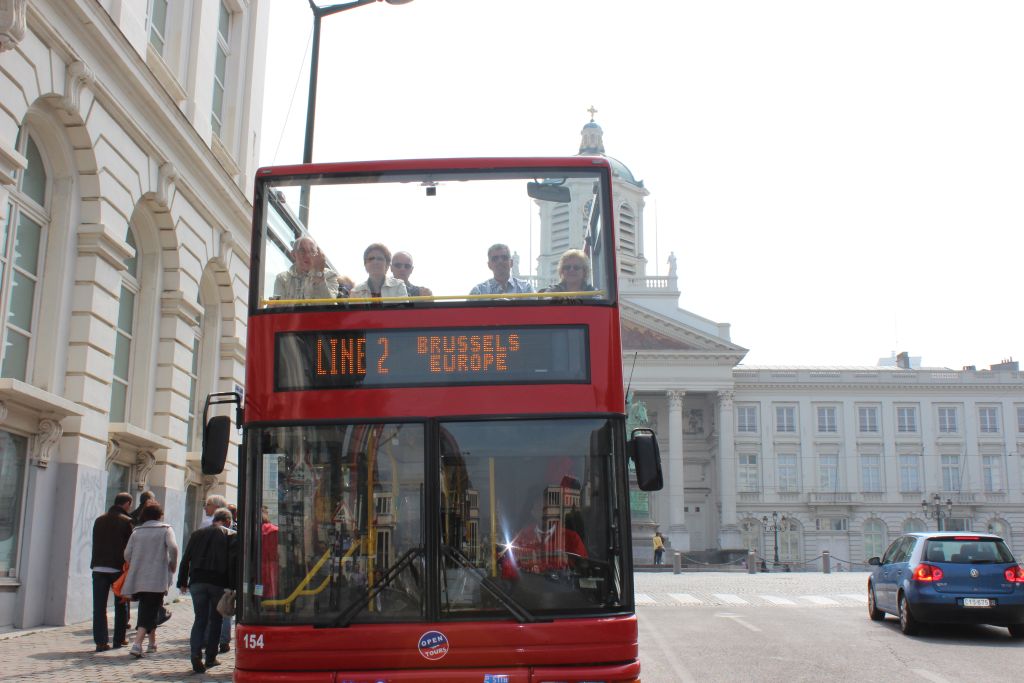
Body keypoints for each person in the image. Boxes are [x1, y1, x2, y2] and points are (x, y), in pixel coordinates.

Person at [177, 507, 237, 674]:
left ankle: (195, 653)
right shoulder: (230, 535)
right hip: (218, 581)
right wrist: (232, 585)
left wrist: (182, 582)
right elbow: (232, 562)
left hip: (197, 581)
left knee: (200, 619)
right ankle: (210, 656)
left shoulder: (197, 534)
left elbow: (186, 559)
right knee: (216, 619)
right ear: (228, 521)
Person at [121, 503, 178, 659]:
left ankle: (152, 643)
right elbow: (173, 548)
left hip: (139, 576)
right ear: (160, 515)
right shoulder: (165, 529)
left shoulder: (137, 531)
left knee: (149, 607)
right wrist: (172, 565)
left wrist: (136, 563)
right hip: (157, 577)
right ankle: (137, 643)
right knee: (150, 608)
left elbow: (127, 554)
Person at [499, 490, 587, 580]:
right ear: (533, 511)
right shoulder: (522, 537)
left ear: (557, 511)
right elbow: (508, 572)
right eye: (540, 507)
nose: (545, 512)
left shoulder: (572, 539)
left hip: (561, 588)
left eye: (549, 507)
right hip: (527, 587)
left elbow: (583, 573)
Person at [91, 492, 134, 652]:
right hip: (118, 568)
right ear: (127, 504)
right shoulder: (127, 521)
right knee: (121, 605)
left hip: (98, 567)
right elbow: (130, 547)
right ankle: (119, 639)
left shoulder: (99, 520)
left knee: (99, 606)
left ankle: (100, 642)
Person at [273, 235, 339, 300]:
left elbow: (330, 304)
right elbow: (278, 305)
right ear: (293, 254)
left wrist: (319, 274)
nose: (307, 255)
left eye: (312, 251)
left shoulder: (330, 275)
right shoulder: (282, 278)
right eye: (302, 251)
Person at [470, 243, 535, 296]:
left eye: (504, 258)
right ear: (489, 265)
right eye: (495, 259)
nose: (500, 261)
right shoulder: (478, 292)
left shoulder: (526, 289)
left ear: (511, 263)